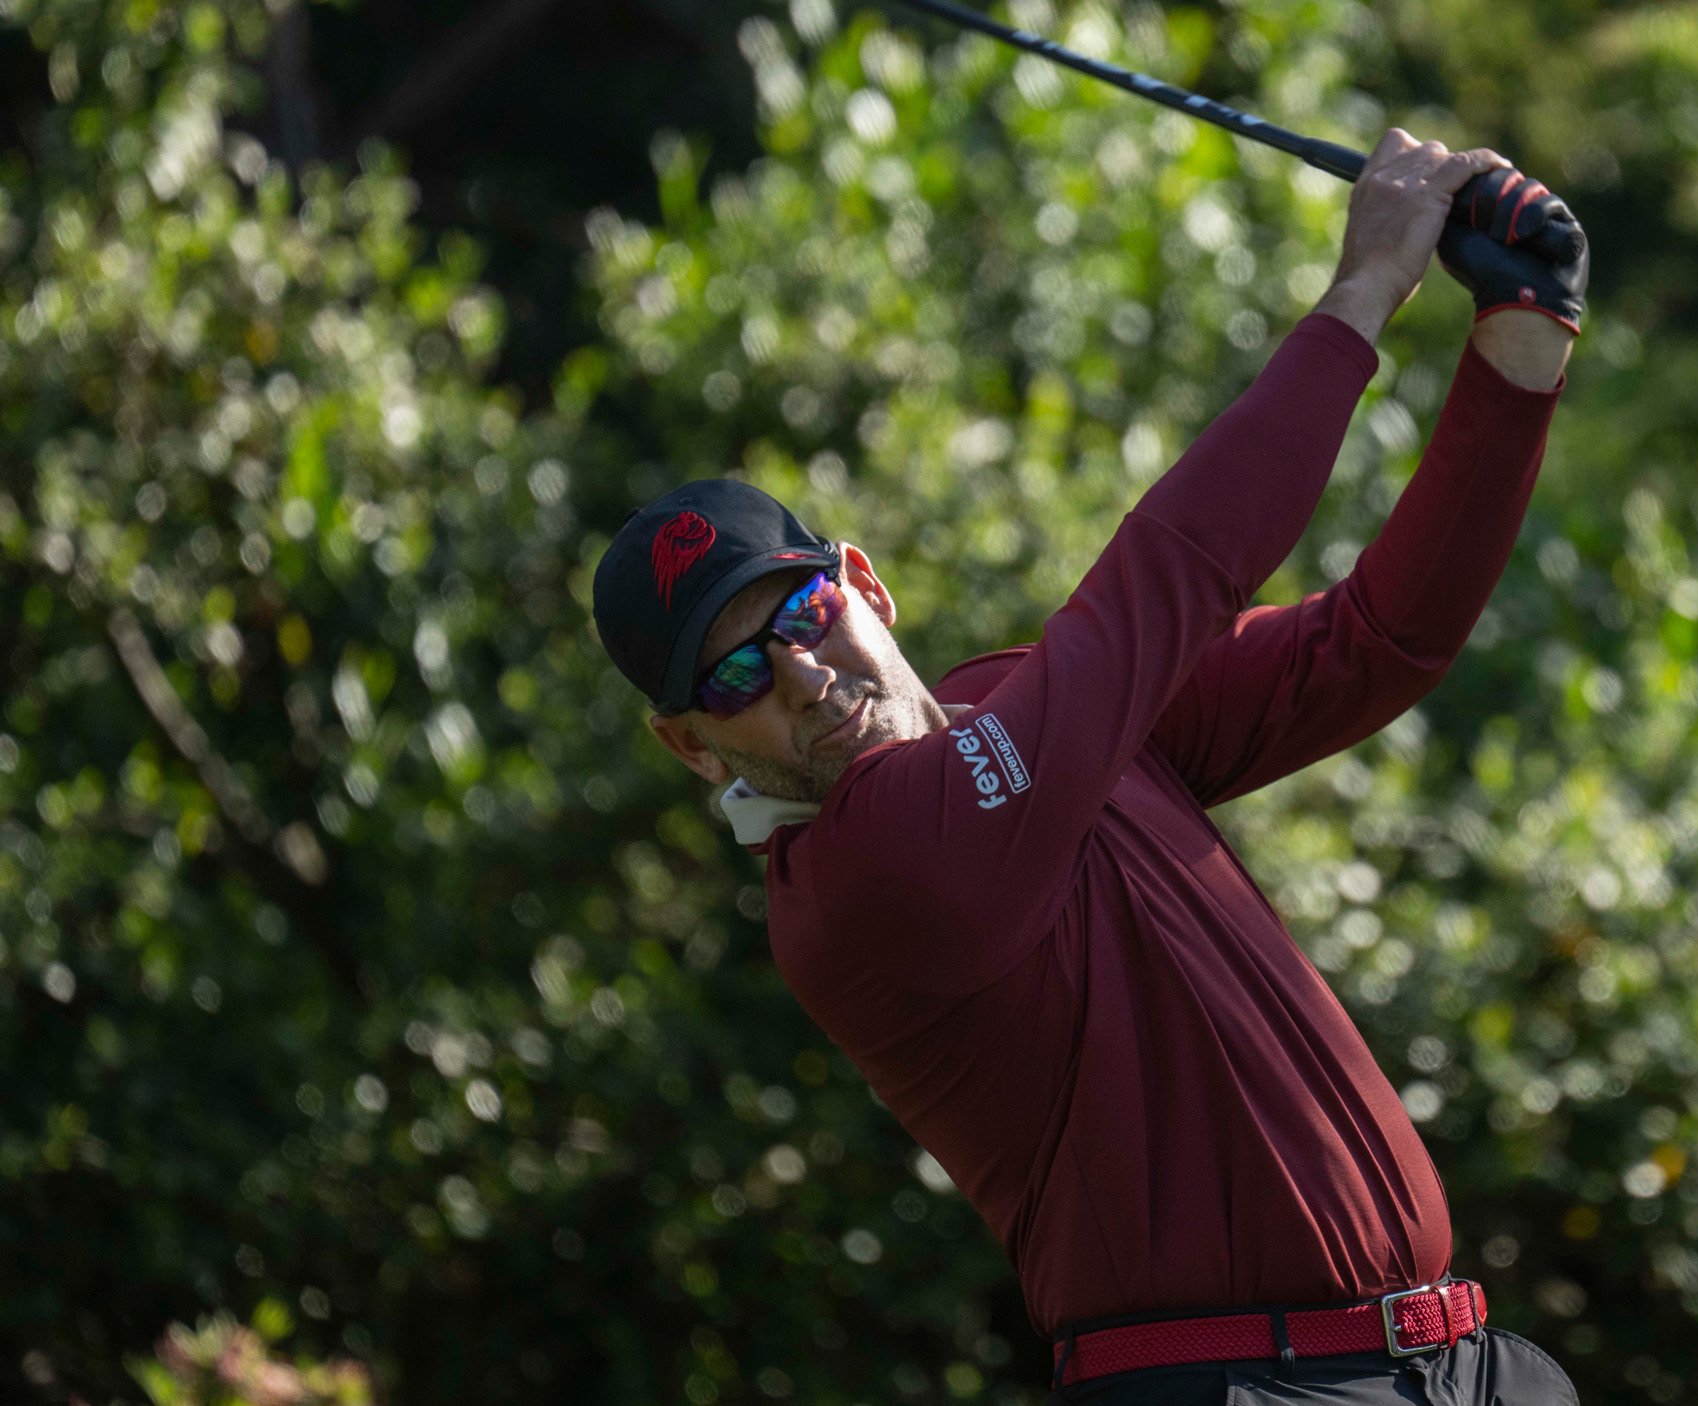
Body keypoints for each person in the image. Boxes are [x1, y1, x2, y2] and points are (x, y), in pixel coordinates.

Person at [590, 129, 1589, 1404]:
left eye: (798, 615)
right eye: (732, 679)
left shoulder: (1024, 708)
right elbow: (1172, 574)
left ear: (863, 585)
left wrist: (1521, 337)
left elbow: (1380, 641)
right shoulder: (856, 875)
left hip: (1470, 1367)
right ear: (693, 745)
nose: (800, 676)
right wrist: (1359, 297)